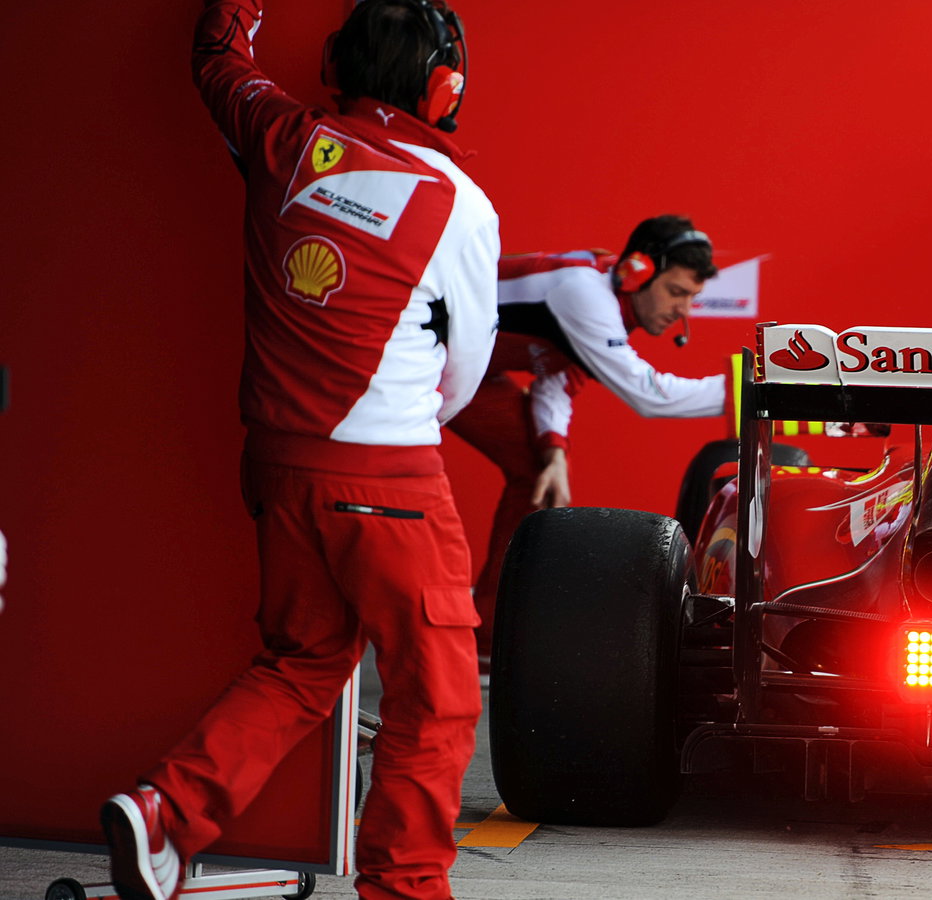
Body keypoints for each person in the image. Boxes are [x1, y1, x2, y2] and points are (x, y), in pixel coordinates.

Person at [100, 2, 498, 898]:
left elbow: (218, 59)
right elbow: (466, 371)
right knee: (436, 699)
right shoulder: (462, 207)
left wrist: (238, 11)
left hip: (279, 468)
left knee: (303, 662)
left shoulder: (283, 137)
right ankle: (405, 891)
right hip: (392, 479)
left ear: (332, 63)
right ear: (446, 89)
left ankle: (167, 810)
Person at [449, 215, 726, 667]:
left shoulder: (606, 298)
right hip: (418, 357)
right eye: (677, 293)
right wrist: (747, 387)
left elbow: (555, 379)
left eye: (692, 298)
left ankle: (487, 636)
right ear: (637, 272)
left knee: (540, 473)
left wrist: (553, 452)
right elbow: (651, 397)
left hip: (467, 370)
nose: (684, 311)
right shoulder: (582, 291)